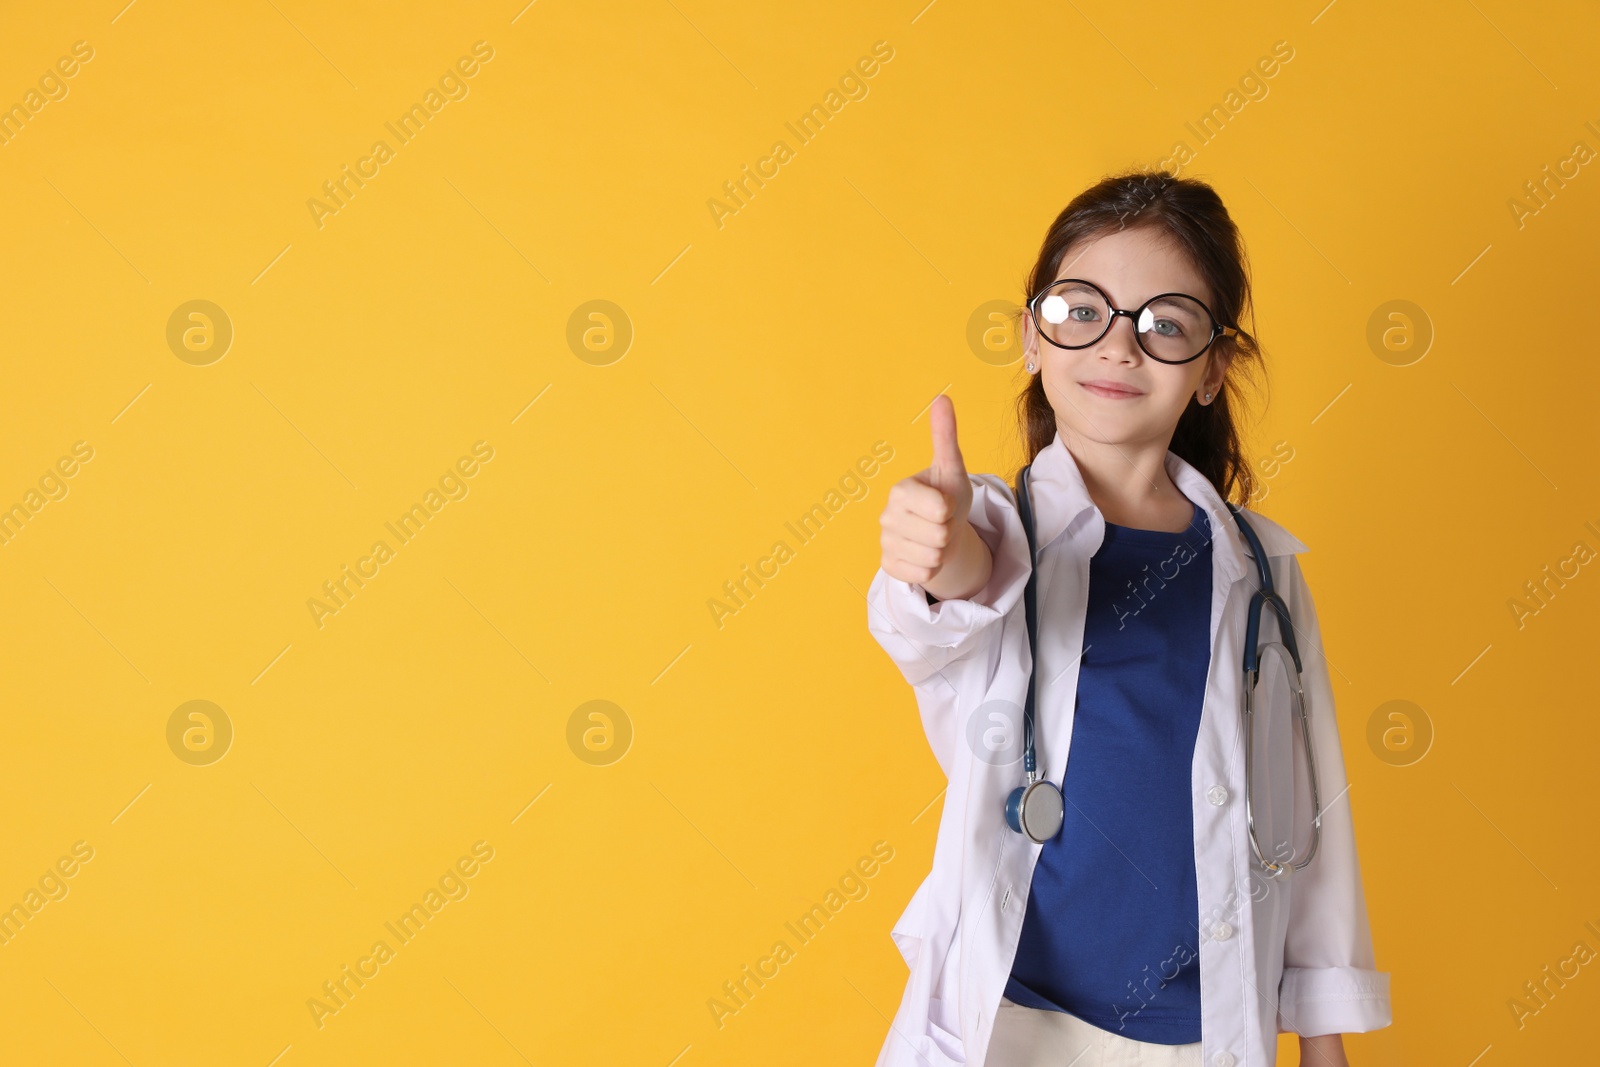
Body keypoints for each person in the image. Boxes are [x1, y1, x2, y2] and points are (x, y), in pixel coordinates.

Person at [867, 170, 1391, 1067]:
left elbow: (1301, 810)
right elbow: (948, 600)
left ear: (1213, 369)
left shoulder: (1262, 569)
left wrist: (1325, 1038)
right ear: (1033, 337)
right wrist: (932, 548)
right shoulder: (997, 524)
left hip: (1202, 1032)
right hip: (1014, 1022)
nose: (1119, 347)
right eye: (1083, 310)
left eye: (1164, 324)